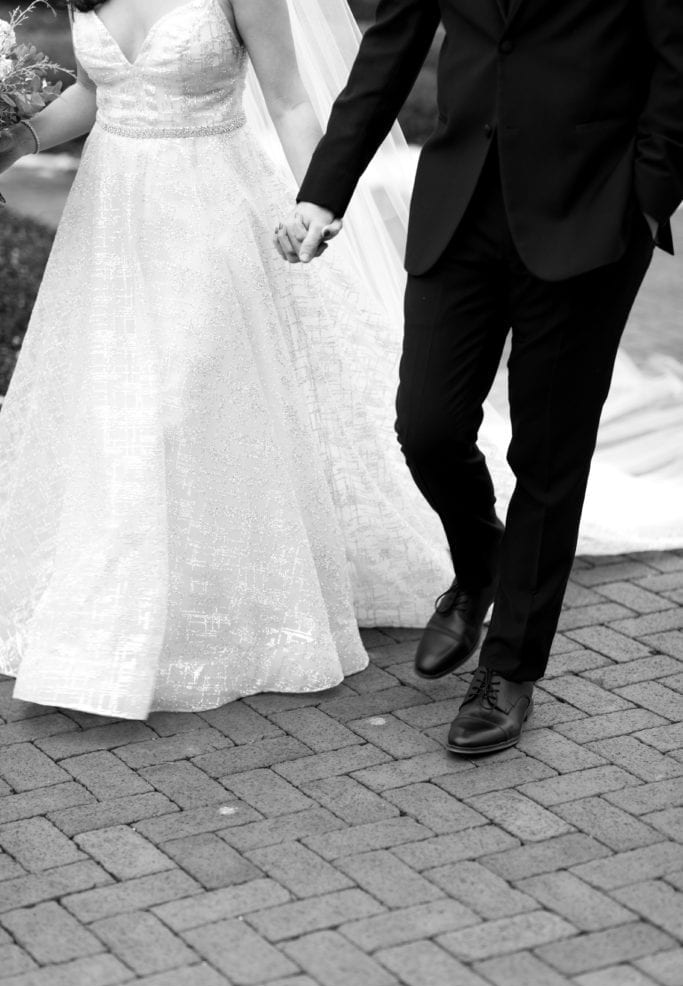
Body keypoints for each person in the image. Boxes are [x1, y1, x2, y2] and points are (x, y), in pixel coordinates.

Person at [0, 0, 454, 719]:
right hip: (111, 225)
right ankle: (139, 609)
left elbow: (290, 99)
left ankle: (108, 643)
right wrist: (19, 136)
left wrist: (319, 204)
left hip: (210, 219)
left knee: (166, 411)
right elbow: (97, 93)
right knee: (117, 412)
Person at [279, 0, 683, 754]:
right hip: (459, 199)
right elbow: (390, 49)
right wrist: (323, 190)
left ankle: (508, 670)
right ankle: (478, 564)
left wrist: (647, 195)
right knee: (425, 425)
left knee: (548, 453)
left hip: (587, 211)